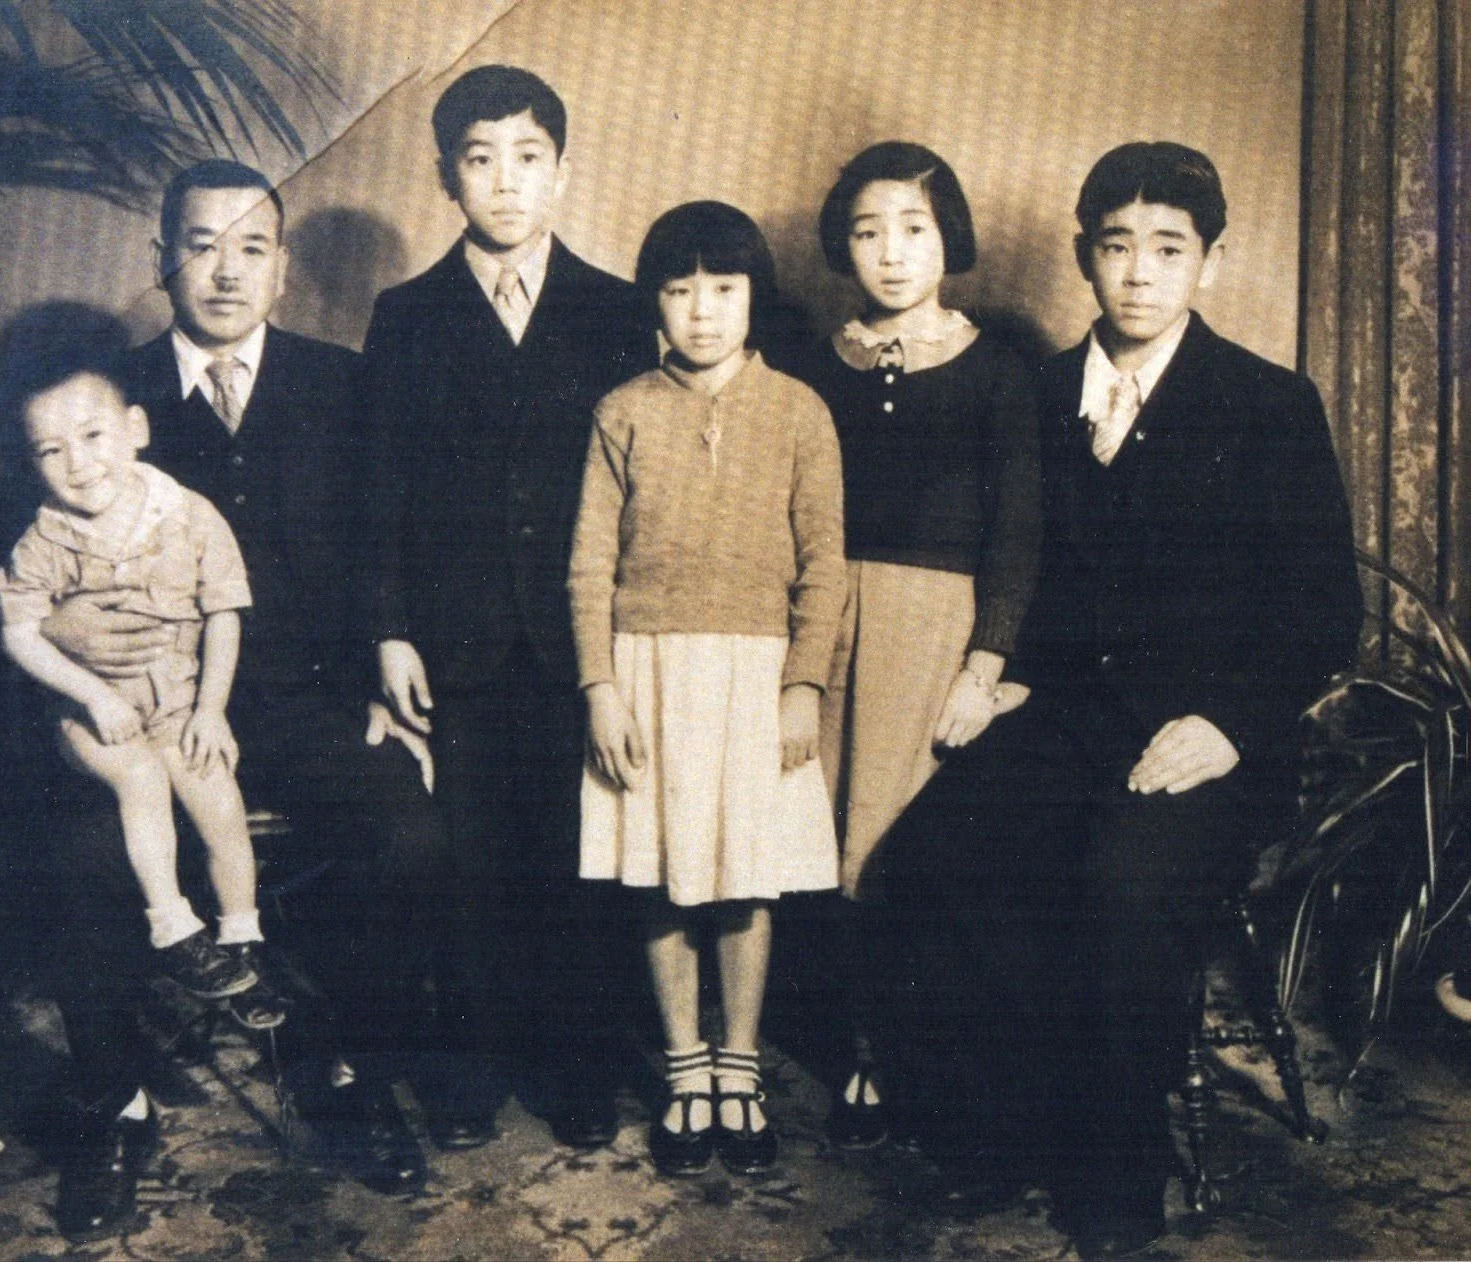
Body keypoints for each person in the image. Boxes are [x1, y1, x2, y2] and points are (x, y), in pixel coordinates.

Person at [876, 141, 1362, 1256]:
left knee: (1121, 883)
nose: (1140, 273)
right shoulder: (1040, 394)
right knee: (938, 853)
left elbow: (1323, 611)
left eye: (1168, 249)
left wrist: (1228, 727)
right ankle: (1002, 1133)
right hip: (1063, 719)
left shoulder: (1268, 403)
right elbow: (1015, 566)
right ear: (1084, 256)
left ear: (1210, 262)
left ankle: (1113, 1171)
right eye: (1117, 247)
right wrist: (1001, 670)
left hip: (1209, 739)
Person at [34, 160, 450, 1239]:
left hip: (300, 707)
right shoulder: (106, 401)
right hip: (150, 714)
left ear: (282, 269)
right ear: (162, 261)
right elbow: (26, 557)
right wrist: (62, 627)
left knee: (403, 828)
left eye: (251, 247)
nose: (225, 270)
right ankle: (115, 1106)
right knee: (81, 851)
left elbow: (383, 547)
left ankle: (350, 1069)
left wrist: (377, 682)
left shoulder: (342, 383)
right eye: (200, 244)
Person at [360, 64, 655, 1151]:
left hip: (582, 635)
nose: (506, 181)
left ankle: (578, 1062)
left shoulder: (618, 309)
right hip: (458, 635)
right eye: (480, 160)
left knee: (578, 854)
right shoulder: (407, 315)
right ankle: (471, 1067)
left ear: (562, 171)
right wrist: (389, 627)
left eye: (528, 158)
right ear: (447, 177)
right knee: (471, 861)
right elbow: (379, 487)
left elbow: (643, 486)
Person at [569, 200, 846, 1177]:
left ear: (753, 298)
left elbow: (825, 564)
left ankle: (740, 1063)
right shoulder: (623, 410)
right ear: (654, 301)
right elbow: (589, 564)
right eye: (680, 290)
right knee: (665, 874)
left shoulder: (801, 410)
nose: (701, 310)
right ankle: (686, 1064)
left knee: (743, 877)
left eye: (722, 289)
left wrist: (803, 682)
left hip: (756, 674)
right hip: (647, 670)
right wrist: (600, 686)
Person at [794, 142, 1040, 1149]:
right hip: (831, 622)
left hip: (937, 633)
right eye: (867, 231)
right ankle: (858, 1043)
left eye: (913, 228)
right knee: (826, 839)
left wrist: (984, 667)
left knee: (904, 843)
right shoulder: (816, 366)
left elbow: (1016, 534)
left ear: (949, 239)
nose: (891, 252)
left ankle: (917, 1052)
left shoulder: (999, 370)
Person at [0, 352, 286, 1028]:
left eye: (94, 436)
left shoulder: (188, 514)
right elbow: (20, 635)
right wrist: (93, 696)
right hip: (97, 715)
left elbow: (224, 614)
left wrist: (210, 710)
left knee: (220, 806)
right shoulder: (44, 541)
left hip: (181, 702)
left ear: (136, 429)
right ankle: (174, 928)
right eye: (52, 450)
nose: (79, 463)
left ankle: (242, 944)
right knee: (142, 777)